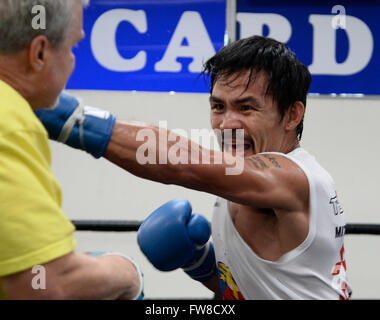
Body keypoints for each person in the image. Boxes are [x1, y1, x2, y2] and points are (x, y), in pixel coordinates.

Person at [35, 35, 352, 299]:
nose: (227, 123)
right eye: (218, 106)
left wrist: (74, 123)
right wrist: (200, 264)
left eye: (246, 108)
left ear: (292, 115)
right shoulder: (244, 182)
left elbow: (184, 164)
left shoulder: (294, 178)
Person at [0, 0, 143, 300]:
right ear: (39, 53)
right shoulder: (10, 121)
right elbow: (42, 284)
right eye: (72, 47)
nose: (73, 62)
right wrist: (126, 273)